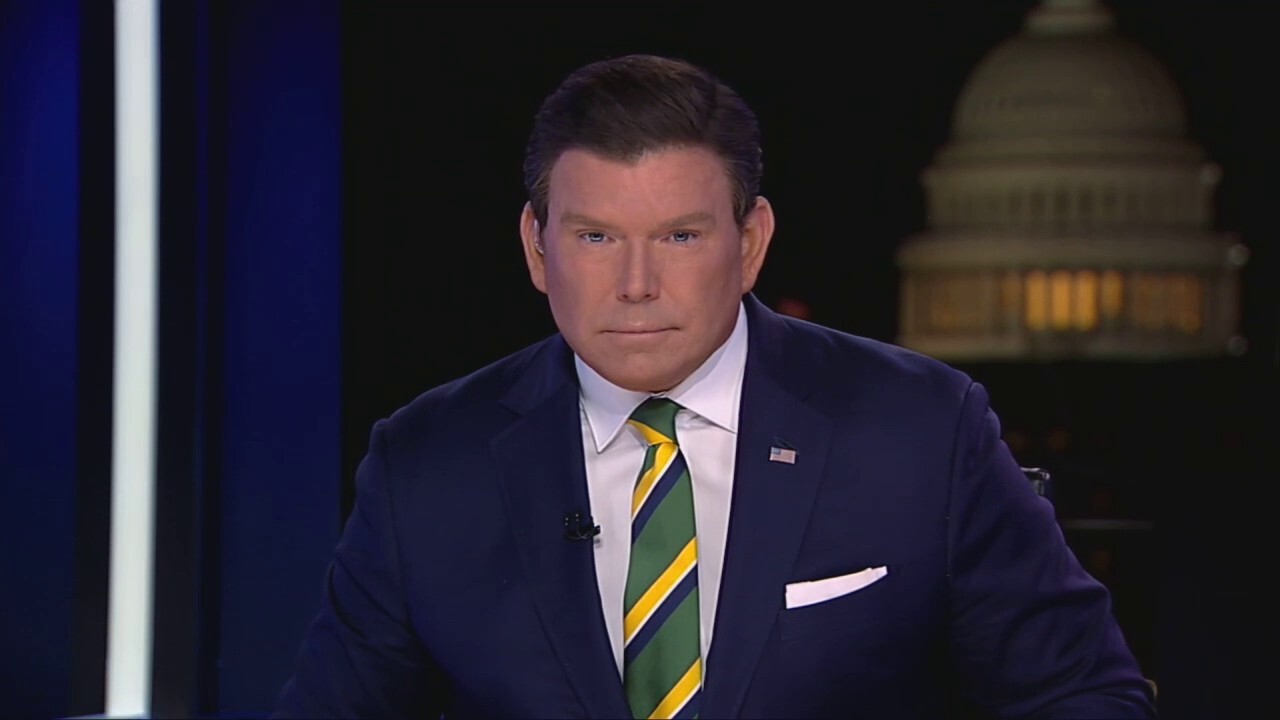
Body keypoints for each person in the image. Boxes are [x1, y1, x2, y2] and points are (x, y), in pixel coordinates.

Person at [273, 54, 1155, 719]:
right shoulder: (429, 465)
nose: (636, 285)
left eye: (681, 237)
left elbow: (1085, 695)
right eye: (595, 238)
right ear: (537, 248)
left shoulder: (919, 429)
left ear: (752, 242)